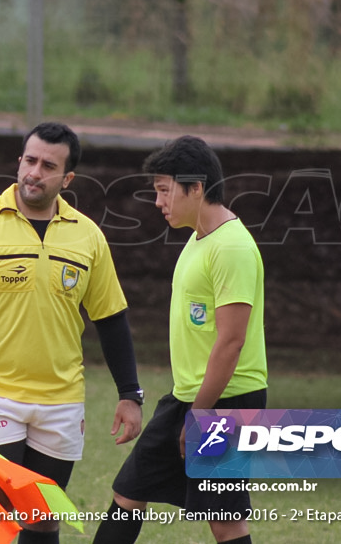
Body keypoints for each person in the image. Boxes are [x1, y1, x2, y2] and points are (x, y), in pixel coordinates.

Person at [0, 122, 144, 544]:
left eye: (47, 165)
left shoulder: (88, 237)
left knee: (41, 519)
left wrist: (130, 394)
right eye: (29, 160)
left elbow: (111, 319)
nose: (34, 172)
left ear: (67, 178)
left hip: (60, 401)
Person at [92, 135, 267, 544]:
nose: (158, 202)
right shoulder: (198, 238)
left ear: (197, 188)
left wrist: (200, 417)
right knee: (128, 492)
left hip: (227, 401)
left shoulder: (232, 247)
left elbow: (231, 343)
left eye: (164, 190)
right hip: (187, 397)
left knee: (225, 522)